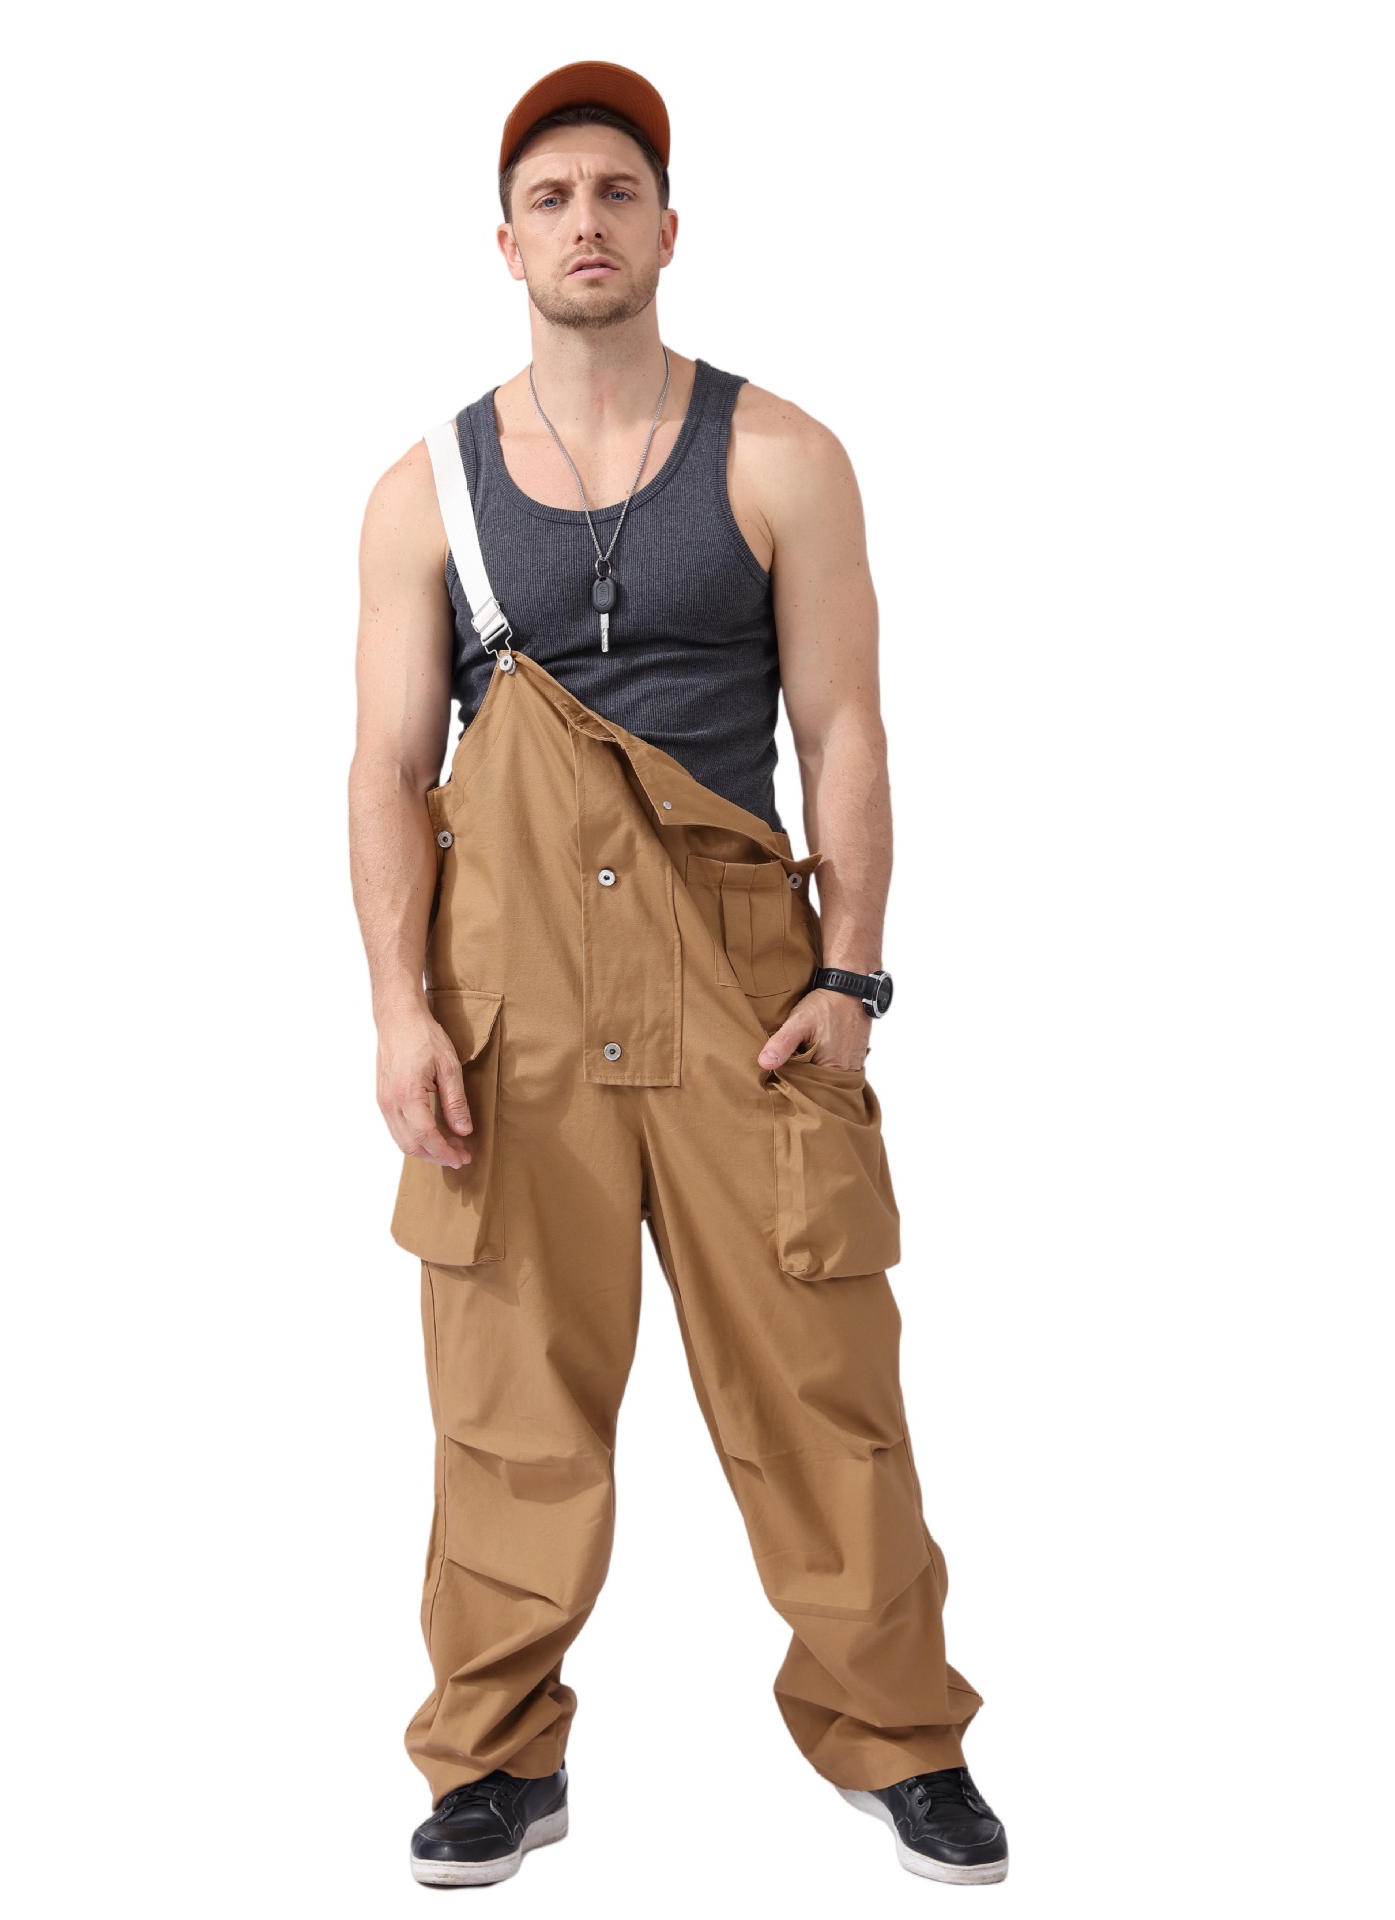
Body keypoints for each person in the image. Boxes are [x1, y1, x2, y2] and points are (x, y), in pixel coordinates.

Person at [347, 59, 1008, 1891]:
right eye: (551, 199)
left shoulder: (782, 454)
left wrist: (853, 977)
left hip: (745, 1007)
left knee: (823, 1391)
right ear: (506, 244)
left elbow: (846, 728)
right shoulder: (424, 493)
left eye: (617, 193)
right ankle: (496, 1759)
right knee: (508, 1409)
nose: (587, 223)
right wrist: (400, 1011)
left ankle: (900, 1738)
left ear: (667, 229)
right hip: (513, 1015)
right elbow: (385, 767)